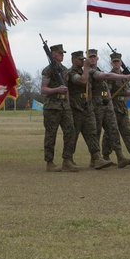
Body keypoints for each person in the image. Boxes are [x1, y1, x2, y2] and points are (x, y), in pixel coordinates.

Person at [84, 49, 130, 168]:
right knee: (97, 132)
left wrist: (110, 102)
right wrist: (126, 76)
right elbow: (105, 77)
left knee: (113, 130)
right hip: (96, 105)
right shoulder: (90, 71)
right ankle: (95, 159)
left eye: (94, 57)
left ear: (97, 58)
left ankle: (120, 157)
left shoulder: (99, 70)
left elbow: (106, 89)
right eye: (90, 57)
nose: (92, 59)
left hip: (107, 104)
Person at [66, 50, 113, 170]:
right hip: (75, 108)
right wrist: (86, 68)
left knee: (92, 132)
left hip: (87, 107)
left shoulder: (86, 70)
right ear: (73, 60)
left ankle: (96, 158)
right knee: (73, 135)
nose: (82, 61)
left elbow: (91, 87)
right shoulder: (70, 72)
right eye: (79, 59)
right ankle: (68, 159)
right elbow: (83, 81)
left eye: (83, 59)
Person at [40, 43, 77, 172]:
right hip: (52, 107)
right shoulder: (48, 70)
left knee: (70, 132)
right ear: (53, 54)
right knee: (51, 134)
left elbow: (67, 89)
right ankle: (49, 162)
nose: (62, 55)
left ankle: (67, 159)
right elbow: (43, 89)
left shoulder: (65, 70)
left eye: (63, 53)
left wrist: (68, 103)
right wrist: (57, 89)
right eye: (60, 53)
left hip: (64, 106)